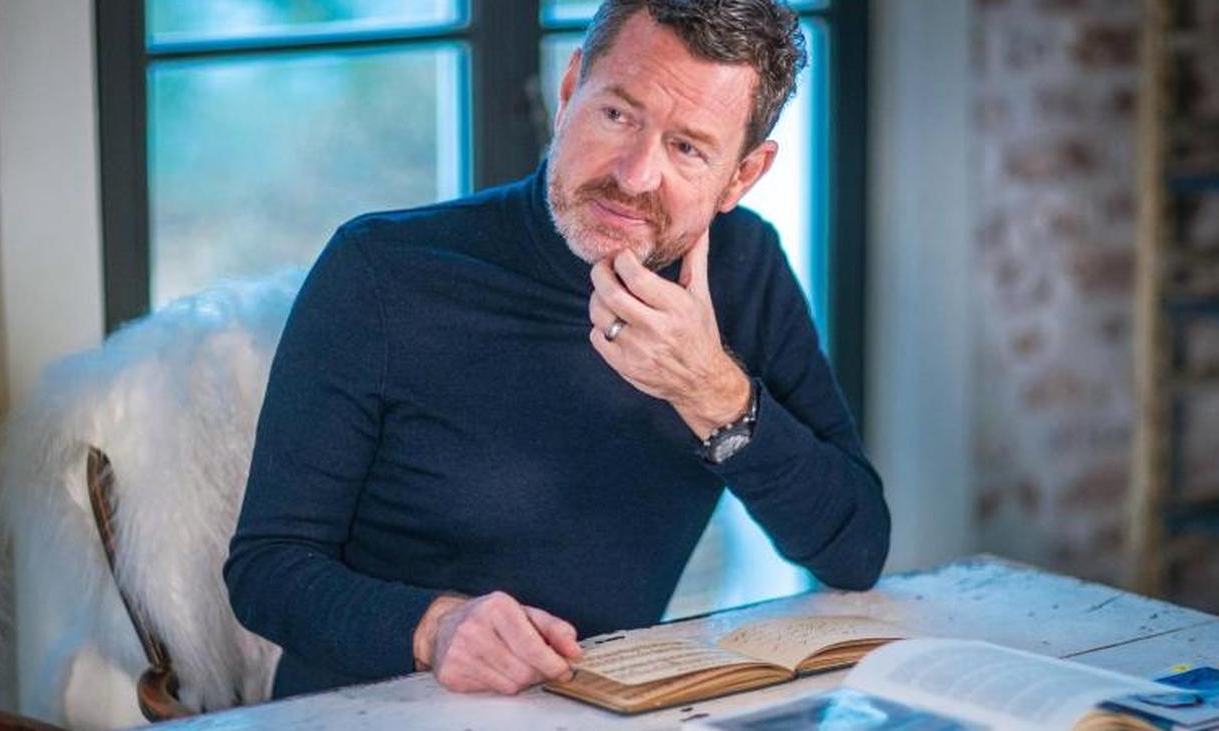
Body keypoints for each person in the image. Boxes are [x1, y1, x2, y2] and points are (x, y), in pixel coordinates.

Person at [224, 0, 890, 700]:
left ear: (743, 176)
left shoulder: (745, 270)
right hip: (370, 710)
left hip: (604, 710)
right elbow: (266, 570)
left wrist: (710, 389)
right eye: (618, 114)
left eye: (687, 148)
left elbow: (855, 550)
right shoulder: (381, 271)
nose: (634, 175)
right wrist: (433, 628)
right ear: (570, 90)